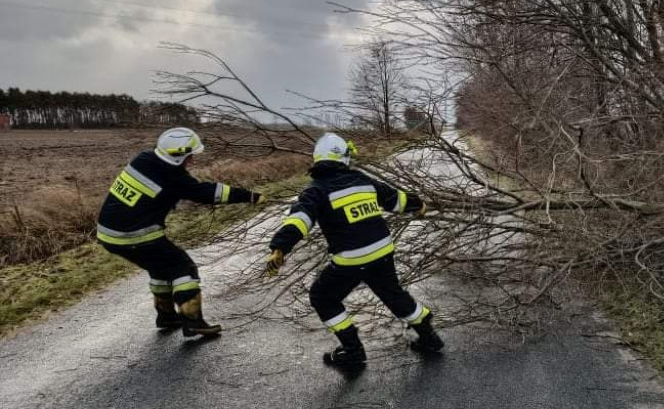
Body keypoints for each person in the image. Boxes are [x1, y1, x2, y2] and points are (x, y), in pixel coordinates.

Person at [265, 132, 443, 370]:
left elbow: (300, 220)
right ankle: (427, 334)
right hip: (382, 251)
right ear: (343, 159)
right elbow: (395, 199)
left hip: (351, 259)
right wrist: (417, 204)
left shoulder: (315, 190)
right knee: (393, 294)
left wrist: (280, 247)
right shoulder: (362, 179)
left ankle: (352, 351)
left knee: (322, 298)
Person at [96, 127, 263, 337]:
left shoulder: (144, 159)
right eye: (189, 156)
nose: (192, 161)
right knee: (183, 268)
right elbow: (207, 193)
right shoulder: (173, 177)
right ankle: (193, 321)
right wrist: (249, 196)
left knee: (160, 269)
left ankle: (166, 317)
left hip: (108, 234)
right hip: (136, 235)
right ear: (178, 156)